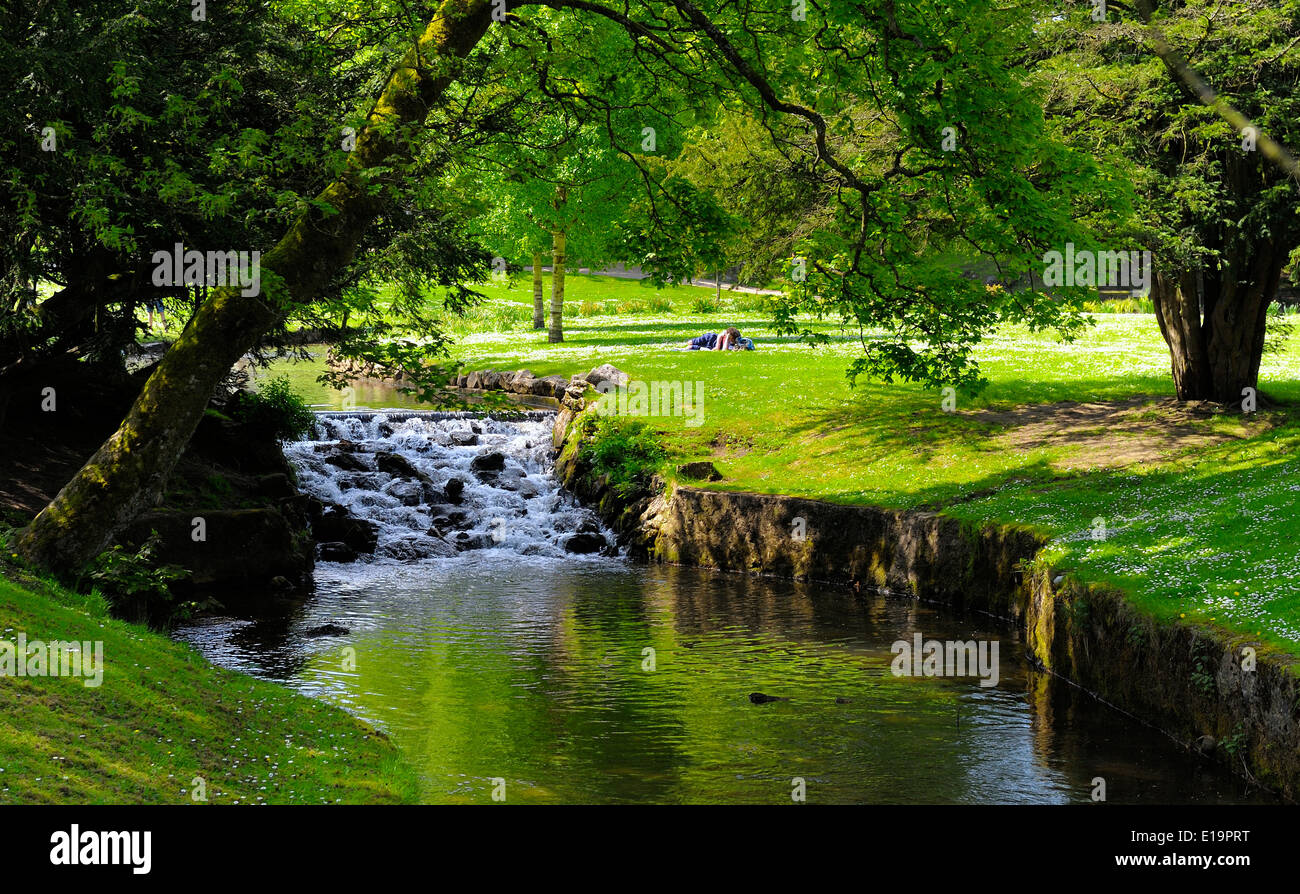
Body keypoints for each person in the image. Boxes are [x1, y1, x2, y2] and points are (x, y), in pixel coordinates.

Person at [686, 326, 752, 351]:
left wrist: (726, 340)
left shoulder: (731, 344)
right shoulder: (710, 337)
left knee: (691, 347)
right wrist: (719, 338)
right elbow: (689, 343)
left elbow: (724, 351)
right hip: (706, 342)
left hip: (704, 348)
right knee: (690, 344)